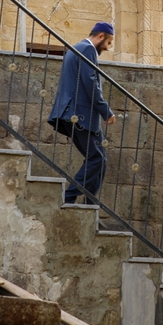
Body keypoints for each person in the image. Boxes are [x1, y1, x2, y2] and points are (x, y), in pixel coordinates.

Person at [49, 22, 117, 205]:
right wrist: (106, 111)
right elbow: (91, 82)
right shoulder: (86, 49)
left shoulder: (77, 48)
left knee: (99, 159)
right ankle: (69, 197)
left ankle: (90, 204)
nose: (108, 48)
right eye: (108, 43)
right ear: (101, 36)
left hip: (75, 114)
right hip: (79, 115)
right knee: (96, 158)